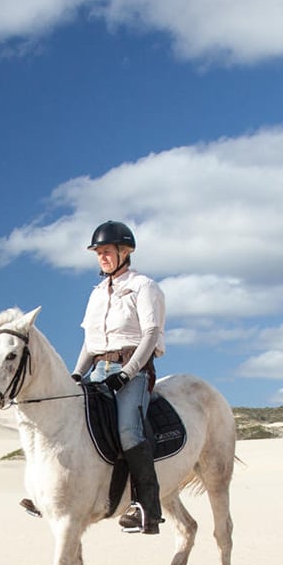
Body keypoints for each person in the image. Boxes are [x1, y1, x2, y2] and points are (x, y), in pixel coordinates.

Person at [73, 220, 166, 534]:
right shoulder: (98, 293)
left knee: (128, 431)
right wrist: (76, 373)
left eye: (107, 251)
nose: (102, 257)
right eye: (98, 252)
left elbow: (151, 333)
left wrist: (128, 373)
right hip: (98, 369)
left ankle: (146, 508)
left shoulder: (144, 286)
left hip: (134, 370)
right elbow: (90, 341)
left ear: (125, 251)